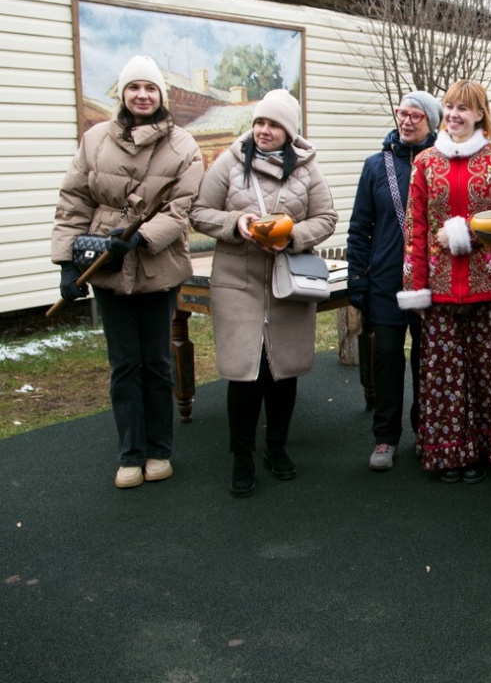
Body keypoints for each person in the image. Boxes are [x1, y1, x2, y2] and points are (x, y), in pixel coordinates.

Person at [51, 55, 203, 489]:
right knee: (123, 365)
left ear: (161, 96)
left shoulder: (183, 146)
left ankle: (159, 451)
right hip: (105, 264)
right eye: (134, 87)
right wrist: (67, 263)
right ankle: (130, 454)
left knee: (155, 362)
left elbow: (181, 209)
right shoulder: (94, 140)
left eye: (150, 88)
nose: (142, 95)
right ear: (122, 93)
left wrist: (140, 238)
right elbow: (74, 201)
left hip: (157, 264)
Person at [190, 89, 337, 498]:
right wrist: (236, 223)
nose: (264, 130)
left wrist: (292, 236)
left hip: (288, 281)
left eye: (273, 124)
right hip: (238, 280)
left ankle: (277, 447)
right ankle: (242, 456)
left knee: (282, 368)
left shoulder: (306, 168)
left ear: (289, 131)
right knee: (245, 372)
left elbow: (327, 217)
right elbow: (199, 212)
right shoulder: (230, 161)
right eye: (259, 122)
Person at [397, 80, 491, 484]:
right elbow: (415, 230)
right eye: (450, 106)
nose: (455, 114)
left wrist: (463, 232)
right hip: (440, 289)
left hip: (488, 284)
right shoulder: (426, 162)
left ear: (479, 115)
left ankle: (486, 450)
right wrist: (416, 289)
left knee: (485, 371)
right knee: (446, 376)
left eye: (464, 108)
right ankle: (450, 453)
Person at [347, 91, 442, 471]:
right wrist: (358, 278)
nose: (406, 121)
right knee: (387, 356)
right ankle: (385, 437)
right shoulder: (375, 166)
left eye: (416, 116)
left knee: (425, 358)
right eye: (402, 113)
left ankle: (425, 431)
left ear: (431, 123)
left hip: (429, 282)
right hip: (386, 281)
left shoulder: (441, 165)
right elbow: (359, 227)